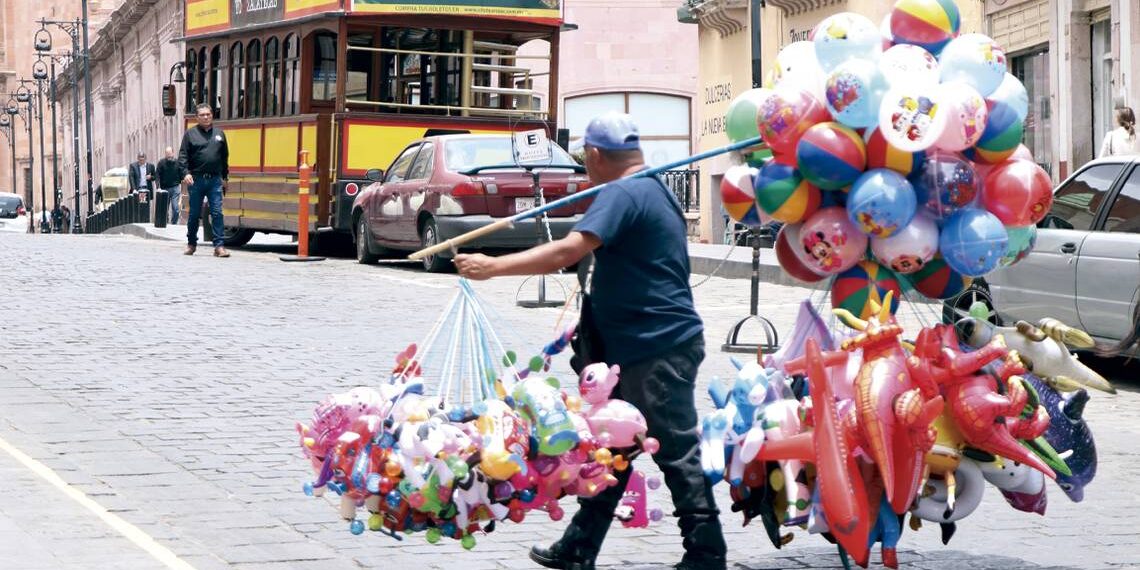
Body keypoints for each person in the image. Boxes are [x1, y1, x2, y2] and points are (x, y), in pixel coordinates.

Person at [453, 112, 727, 570]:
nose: (586, 169)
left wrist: (492, 267)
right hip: (636, 348)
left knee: (676, 451)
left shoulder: (623, 191)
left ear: (597, 156)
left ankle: (706, 553)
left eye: (586, 160)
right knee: (611, 449)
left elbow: (569, 250)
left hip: (655, 346)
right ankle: (579, 546)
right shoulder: (655, 189)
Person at [178, 103, 230, 257]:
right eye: (202, 115)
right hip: (196, 180)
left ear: (212, 115)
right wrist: (185, 173)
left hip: (214, 180)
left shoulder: (219, 134)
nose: (206, 117)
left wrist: (225, 177)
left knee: (217, 213)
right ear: (197, 118)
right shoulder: (190, 134)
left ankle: (219, 246)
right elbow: (182, 157)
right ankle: (191, 243)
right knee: (194, 214)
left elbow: (224, 157)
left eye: (208, 114)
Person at [156, 146, 184, 224]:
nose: (168, 155)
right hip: (164, 188)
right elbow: (157, 175)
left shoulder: (178, 162)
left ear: (173, 153)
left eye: (170, 153)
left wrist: (184, 183)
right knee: (165, 208)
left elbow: (182, 174)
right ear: (165, 154)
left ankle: (174, 223)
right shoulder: (161, 163)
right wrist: (158, 187)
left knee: (176, 208)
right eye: (167, 153)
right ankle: (166, 222)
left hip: (175, 188)